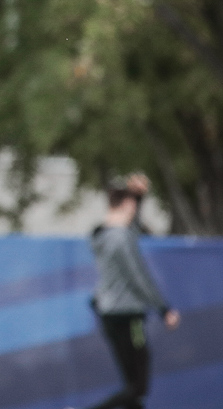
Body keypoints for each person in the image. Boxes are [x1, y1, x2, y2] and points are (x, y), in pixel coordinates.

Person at [81, 174, 179, 409]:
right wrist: (164, 309)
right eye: (134, 206)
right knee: (138, 386)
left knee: (132, 390)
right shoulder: (121, 239)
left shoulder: (100, 235)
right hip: (128, 315)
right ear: (127, 205)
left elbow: (130, 226)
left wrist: (137, 196)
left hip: (108, 313)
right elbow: (138, 278)